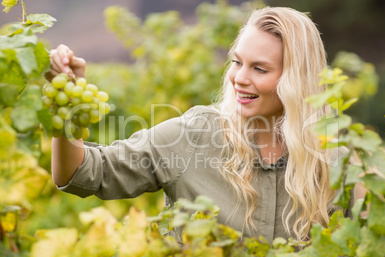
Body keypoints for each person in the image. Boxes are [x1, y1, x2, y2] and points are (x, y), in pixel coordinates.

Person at [48, 6, 364, 243]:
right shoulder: (193, 135)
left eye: (260, 69)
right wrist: (68, 109)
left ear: (297, 80)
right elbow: (82, 173)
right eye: (238, 62)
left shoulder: (336, 156)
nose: (240, 78)